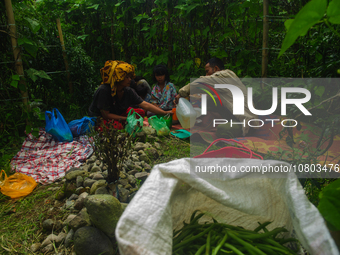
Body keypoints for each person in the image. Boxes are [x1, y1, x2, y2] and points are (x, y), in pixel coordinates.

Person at [174, 57, 258, 136]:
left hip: (247, 122)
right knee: (208, 102)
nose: (207, 75)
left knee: (221, 130)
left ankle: (246, 130)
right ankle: (227, 122)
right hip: (237, 116)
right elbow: (216, 98)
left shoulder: (223, 75)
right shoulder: (227, 78)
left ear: (216, 69)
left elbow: (200, 83)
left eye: (207, 71)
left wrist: (181, 93)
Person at [88, 60, 172, 129]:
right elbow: (106, 115)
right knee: (118, 126)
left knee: (140, 113)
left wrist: (165, 112)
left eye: (130, 77)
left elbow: (145, 104)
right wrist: (127, 119)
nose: (130, 80)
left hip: (119, 114)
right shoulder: (104, 90)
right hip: (101, 118)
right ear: (118, 78)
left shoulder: (128, 90)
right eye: (126, 77)